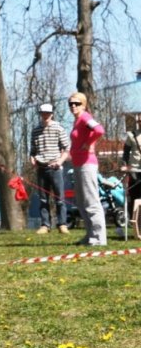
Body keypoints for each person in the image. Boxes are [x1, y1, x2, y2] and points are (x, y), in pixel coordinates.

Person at [68, 92, 107, 246]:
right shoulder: (76, 121)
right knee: (82, 201)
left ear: (83, 105)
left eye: (76, 103)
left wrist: (89, 142)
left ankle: (99, 238)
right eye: (70, 103)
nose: (73, 106)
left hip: (87, 164)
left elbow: (99, 130)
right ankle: (90, 235)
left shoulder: (85, 117)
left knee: (91, 201)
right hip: (77, 164)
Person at [29, 102, 70, 234]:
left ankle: (62, 224)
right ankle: (45, 225)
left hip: (55, 168)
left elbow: (67, 148)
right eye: (43, 113)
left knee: (59, 197)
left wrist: (60, 161)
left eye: (48, 113)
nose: (45, 115)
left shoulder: (58, 128)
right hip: (41, 168)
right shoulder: (35, 131)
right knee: (43, 198)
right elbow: (32, 150)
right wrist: (32, 158)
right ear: (40, 114)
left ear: (52, 114)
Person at [121, 126, 141, 218]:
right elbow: (125, 153)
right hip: (134, 170)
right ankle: (135, 221)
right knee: (134, 196)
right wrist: (125, 165)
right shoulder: (131, 135)